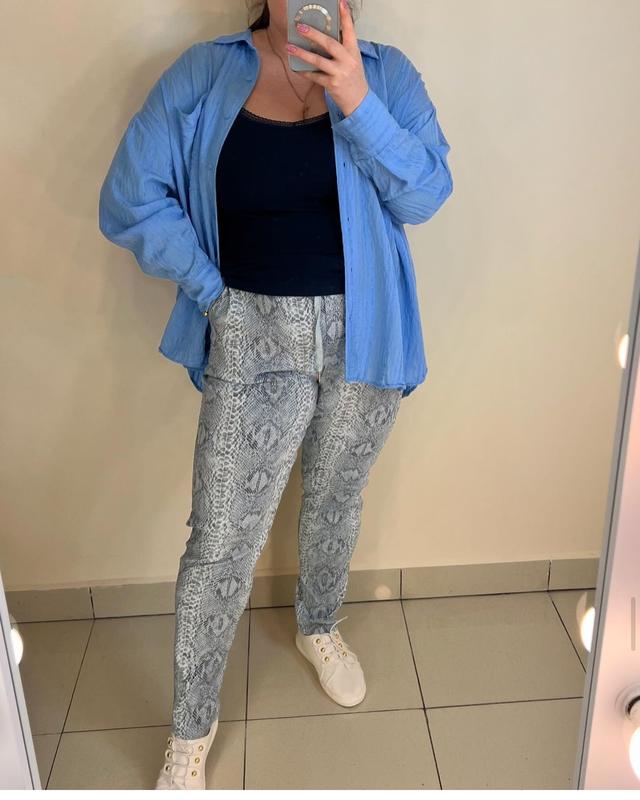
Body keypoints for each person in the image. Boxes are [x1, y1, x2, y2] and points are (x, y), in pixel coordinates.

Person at [98, 0, 452, 789]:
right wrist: (213, 295)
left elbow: (426, 195)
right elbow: (128, 196)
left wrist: (356, 100)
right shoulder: (205, 73)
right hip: (251, 332)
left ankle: (318, 625)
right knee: (220, 540)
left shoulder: (387, 76)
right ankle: (191, 728)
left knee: (336, 498)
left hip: (368, 335)